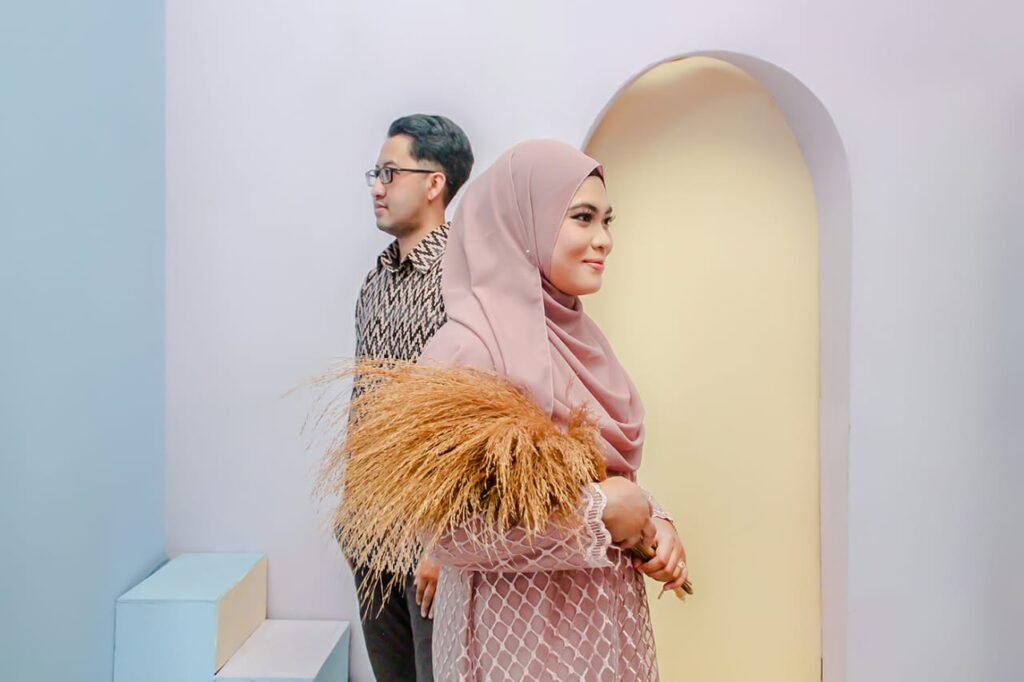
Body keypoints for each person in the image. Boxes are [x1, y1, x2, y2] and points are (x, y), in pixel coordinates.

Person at [421, 139, 688, 680]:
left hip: (602, 630)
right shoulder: (467, 350)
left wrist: (653, 521)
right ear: (523, 224)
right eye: (583, 218)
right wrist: (598, 513)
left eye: (607, 220)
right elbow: (447, 532)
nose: (603, 239)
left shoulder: (582, 340)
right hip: (513, 641)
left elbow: (604, 474)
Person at [352, 113, 473, 681]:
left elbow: (471, 422)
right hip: (369, 537)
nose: (377, 187)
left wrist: (445, 542)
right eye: (375, 174)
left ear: (434, 183)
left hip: (431, 545)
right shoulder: (375, 281)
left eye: (390, 173)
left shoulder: (465, 281)